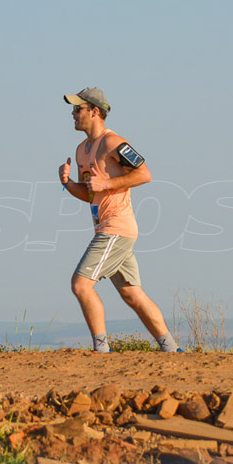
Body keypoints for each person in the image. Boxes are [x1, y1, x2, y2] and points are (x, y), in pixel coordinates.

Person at [59, 87, 181, 353]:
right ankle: (172, 349)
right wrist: (68, 183)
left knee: (81, 285)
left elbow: (145, 174)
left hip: (117, 227)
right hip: (106, 227)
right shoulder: (82, 149)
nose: (73, 114)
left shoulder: (113, 143)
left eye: (77, 109)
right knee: (132, 293)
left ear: (94, 111)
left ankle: (102, 351)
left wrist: (108, 182)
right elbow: (89, 193)